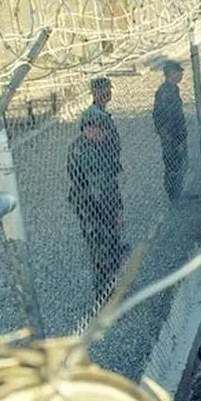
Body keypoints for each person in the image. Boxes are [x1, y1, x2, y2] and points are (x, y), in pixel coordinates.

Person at [67, 106, 127, 306]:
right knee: (101, 250)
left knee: (109, 246)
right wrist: (113, 213)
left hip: (102, 203)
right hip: (92, 207)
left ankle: (111, 286)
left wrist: (116, 209)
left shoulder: (95, 145)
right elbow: (100, 188)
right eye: (101, 129)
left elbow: (110, 182)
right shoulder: (85, 152)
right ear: (89, 129)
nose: (106, 134)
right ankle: (105, 296)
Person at [152, 61, 189, 202]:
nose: (181, 75)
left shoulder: (173, 89)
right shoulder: (165, 92)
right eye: (178, 72)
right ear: (171, 74)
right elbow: (166, 119)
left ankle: (178, 192)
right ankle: (174, 196)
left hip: (175, 136)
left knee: (180, 164)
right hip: (171, 138)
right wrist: (176, 140)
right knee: (173, 166)